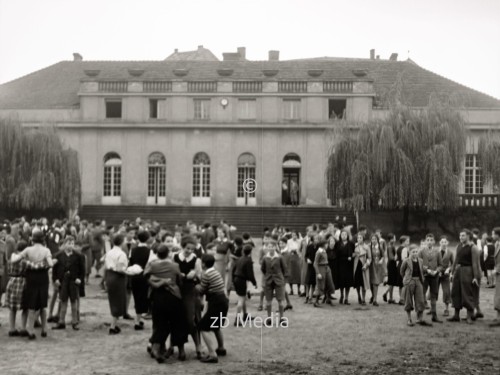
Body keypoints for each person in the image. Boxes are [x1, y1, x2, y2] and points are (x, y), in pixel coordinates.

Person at [145, 244, 187, 363]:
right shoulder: (175, 266)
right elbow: (179, 280)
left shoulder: (152, 265)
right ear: (168, 253)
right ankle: (181, 351)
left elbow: (145, 276)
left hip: (158, 296)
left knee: (160, 323)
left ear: (157, 254)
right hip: (173, 296)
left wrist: (157, 281)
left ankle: (156, 349)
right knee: (178, 323)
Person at [11, 230, 53, 339]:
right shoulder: (46, 250)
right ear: (43, 239)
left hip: (31, 279)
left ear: (32, 239)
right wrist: (41, 265)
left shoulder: (28, 250)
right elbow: (51, 264)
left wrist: (28, 263)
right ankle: (44, 329)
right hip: (43, 279)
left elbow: (15, 260)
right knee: (43, 305)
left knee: (31, 305)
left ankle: (31, 331)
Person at [172, 235, 202, 359]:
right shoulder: (174, 257)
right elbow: (173, 273)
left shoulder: (196, 260)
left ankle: (198, 347)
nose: (189, 251)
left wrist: (193, 275)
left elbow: (198, 277)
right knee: (178, 320)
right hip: (177, 291)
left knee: (191, 320)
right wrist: (183, 275)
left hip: (190, 291)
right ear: (182, 246)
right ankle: (181, 349)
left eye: (192, 249)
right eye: (187, 248)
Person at [196, 254, 229, 363]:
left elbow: (201, 290)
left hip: (216, 302)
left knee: (203, 327)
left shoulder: (206, 274)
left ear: (203, 264)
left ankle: (212, 354)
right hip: (223, 300)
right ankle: (221, 348)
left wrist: (196, 284)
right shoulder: (215, 271)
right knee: (216, 325)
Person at [448, 229, 482, 324]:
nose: (461, 237)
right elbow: (455, 261)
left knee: (468, 293)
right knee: (456, 292)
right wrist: (452, 272)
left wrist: (475, 277)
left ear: (468, 236)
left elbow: (475, 264)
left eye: (463, 235)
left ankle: (469, 316)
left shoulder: (473, 247)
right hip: (458, 271)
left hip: (468, 271)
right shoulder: (459, 246)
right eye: (460, 235)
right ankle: (456, 315)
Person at [51, 236, 85, 331]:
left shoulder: (79, 256)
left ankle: (74, 322)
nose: (70, 245)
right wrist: (55, 279)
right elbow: (55, 270)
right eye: (69, 243)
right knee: (63, 301)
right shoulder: (58, 255)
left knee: (74, 301)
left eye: (72, 243)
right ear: (64, 244)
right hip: (63, 281)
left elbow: (82, 270)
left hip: (74, 282)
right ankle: (61, 322)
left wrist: (79, 278)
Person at [400, 244, 432, 327]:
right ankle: (409, 319)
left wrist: (428, 270)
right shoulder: (406, 261)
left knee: (420, 300)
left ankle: (419, 319)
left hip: (418, 281)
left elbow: (422, 269)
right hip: (409, 282)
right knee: (408, 300)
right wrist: (407, 279)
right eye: (413, 252)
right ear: (409, 252)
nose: (415, 253)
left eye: (416, 251)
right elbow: (402, 271)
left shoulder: (420, 260)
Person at [104, 234, 129, 334]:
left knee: (113, 299)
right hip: (117, 278)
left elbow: (106, 265)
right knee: (118, 301)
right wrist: (129, 271)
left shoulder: (109, 252)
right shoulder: (121, 254)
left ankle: (114, 324)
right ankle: (113, 326)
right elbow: (120, 269)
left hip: (109, 276)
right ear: (122, 242)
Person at [129, 230, 152, 330]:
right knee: (143, 297)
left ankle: (139, 318)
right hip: (144, 276)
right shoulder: (149, 251)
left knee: (136, 297)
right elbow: (150, 265)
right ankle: (137, 320)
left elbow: (131, 261)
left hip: (134, 275)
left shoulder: (133, 250)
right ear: (147, 239)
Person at [5, 241, 29, 337]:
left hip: (11, 281)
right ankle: (23, 328)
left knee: (12, 308)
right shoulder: (24, 260)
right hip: (22, 282)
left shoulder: (12, 258)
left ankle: (12, 328)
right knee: (25, 307)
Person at [261, 240, 288, 323]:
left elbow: (284, 269)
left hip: (278, 280)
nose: (270, 248)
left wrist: (282, 278)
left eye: (272, 247)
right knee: (268, 300)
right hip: (268, 280)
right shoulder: (265, 258)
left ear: (275, 247)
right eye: (269, 247)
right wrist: (267, 276)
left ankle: (282, 318)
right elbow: (263, 269)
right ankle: (269, 318)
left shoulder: (279, 257)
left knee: (280, 300)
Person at [419, 233, 443, 323]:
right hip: (424, 276)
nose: (429, 242)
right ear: (425, 241)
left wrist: (437, 271)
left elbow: (441, 265)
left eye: (431, 240)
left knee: (433, 295)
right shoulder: (421, 251)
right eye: (428, 240)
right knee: (422, 295)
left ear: (434, 242)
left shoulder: (437, 252)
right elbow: (419, 264)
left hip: (434, 277)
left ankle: (434, 315)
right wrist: (427, 270)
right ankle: (420, 315)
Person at [232, 244, 257, 326]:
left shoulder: (239, 259)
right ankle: (237, 319)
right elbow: (250, 274)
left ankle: (245, 315)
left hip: (236, 279)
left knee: (243, 297)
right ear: (250, 252)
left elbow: (233, 269)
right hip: (242, 280)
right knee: (241, 299)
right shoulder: (248, 260)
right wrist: (254, 283)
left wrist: (233, 280)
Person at [313, 239, 335, 307]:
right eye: (326, 244)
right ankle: (316, 301)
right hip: (321, 268)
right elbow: (315, 263)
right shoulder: (319, 252)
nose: (327, 245)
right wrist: (318, 273)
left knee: (329, 283)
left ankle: (328, 298)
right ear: (323, 245)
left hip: (326, 267)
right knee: (320, 284)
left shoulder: (324, 251)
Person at [335, 230, 354, 304]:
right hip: (340, 264)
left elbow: (353, 252)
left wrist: (351, 257)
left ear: (347, 235)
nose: (344, 236)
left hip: (348, 264)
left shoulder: (351, 244)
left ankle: (346, 298)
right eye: (342, 234)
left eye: (345, 234)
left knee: (348, 282)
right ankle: (342, 295)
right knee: (341, 281)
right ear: (340, 236)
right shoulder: (338, 244)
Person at [438, 236, 454, 317]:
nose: (444, 243)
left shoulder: (450, 252)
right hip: (436, 274)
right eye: (442, 242)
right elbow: (432, 263)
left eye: (445, 242)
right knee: (433, 291)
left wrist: (449, 269)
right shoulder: (435, 251)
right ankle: (432, 309)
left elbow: (453, 264)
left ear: (447, 243)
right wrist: (437, 271)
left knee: (446, 292)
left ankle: (446, 309)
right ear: (439, 243)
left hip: (446, 275)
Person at [353, 233, 371, 305]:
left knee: (364, 283)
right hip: (356, 265)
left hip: (363, 266)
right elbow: (352, 255)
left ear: (363, 239)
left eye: (360, 238)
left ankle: (363, 299)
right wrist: (354, 255)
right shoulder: (355, 246)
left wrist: (366, 265)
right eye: (358, 238)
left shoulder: (367, 247)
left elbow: (369, 258)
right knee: (357, 283)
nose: (359, 239)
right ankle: (359, 296)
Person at [368, 234, 385, 306]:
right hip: (370, 266)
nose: (373, 240)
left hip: (377, 266)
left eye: (375, 239)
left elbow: (383, 256)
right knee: (371, 283)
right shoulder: (369, 247)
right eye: (372, 239)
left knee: (376, 282)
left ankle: (375, 299)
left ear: (377, 240)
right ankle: (373, 296)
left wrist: (381, 260)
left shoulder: (380, 247)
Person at [383, 233, 398, 304]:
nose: (395, 239)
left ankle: (387, 295)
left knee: (392, 282)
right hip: (391, 265)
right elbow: (391, 257)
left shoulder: (392, 245)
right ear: (391, 239)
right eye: (394, 237)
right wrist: (398, 257)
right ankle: (390, 298)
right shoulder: (390, 246)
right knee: (391, 282)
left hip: (392, 264)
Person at [490, 227, 500, 327]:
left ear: (498, 234)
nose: (492, 236)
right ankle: (497, 316)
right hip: (498, 273)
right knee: (497, 294)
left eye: (493, 234)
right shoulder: (497, 244)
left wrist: (497, 269)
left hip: (499, 272)